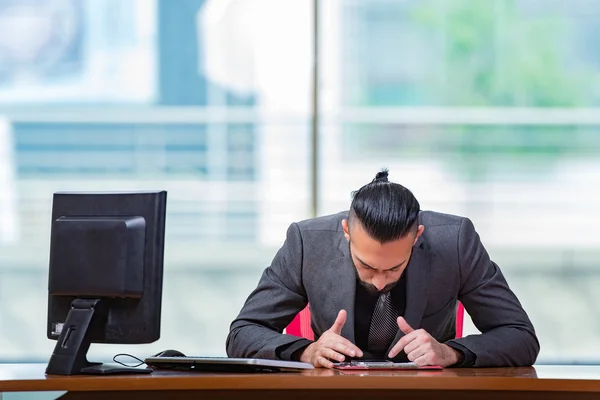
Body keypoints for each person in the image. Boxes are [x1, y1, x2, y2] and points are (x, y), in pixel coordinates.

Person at [226, 169, 539, 368]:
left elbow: (520, 337)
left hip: (427, 395)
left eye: (393, 269)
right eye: (366, 266)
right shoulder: (308, 242)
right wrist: (306, 352)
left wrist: (451, 353)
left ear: (417, 236)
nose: (378, 282)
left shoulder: (456, 241)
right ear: (346, 232)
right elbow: (243, 333)